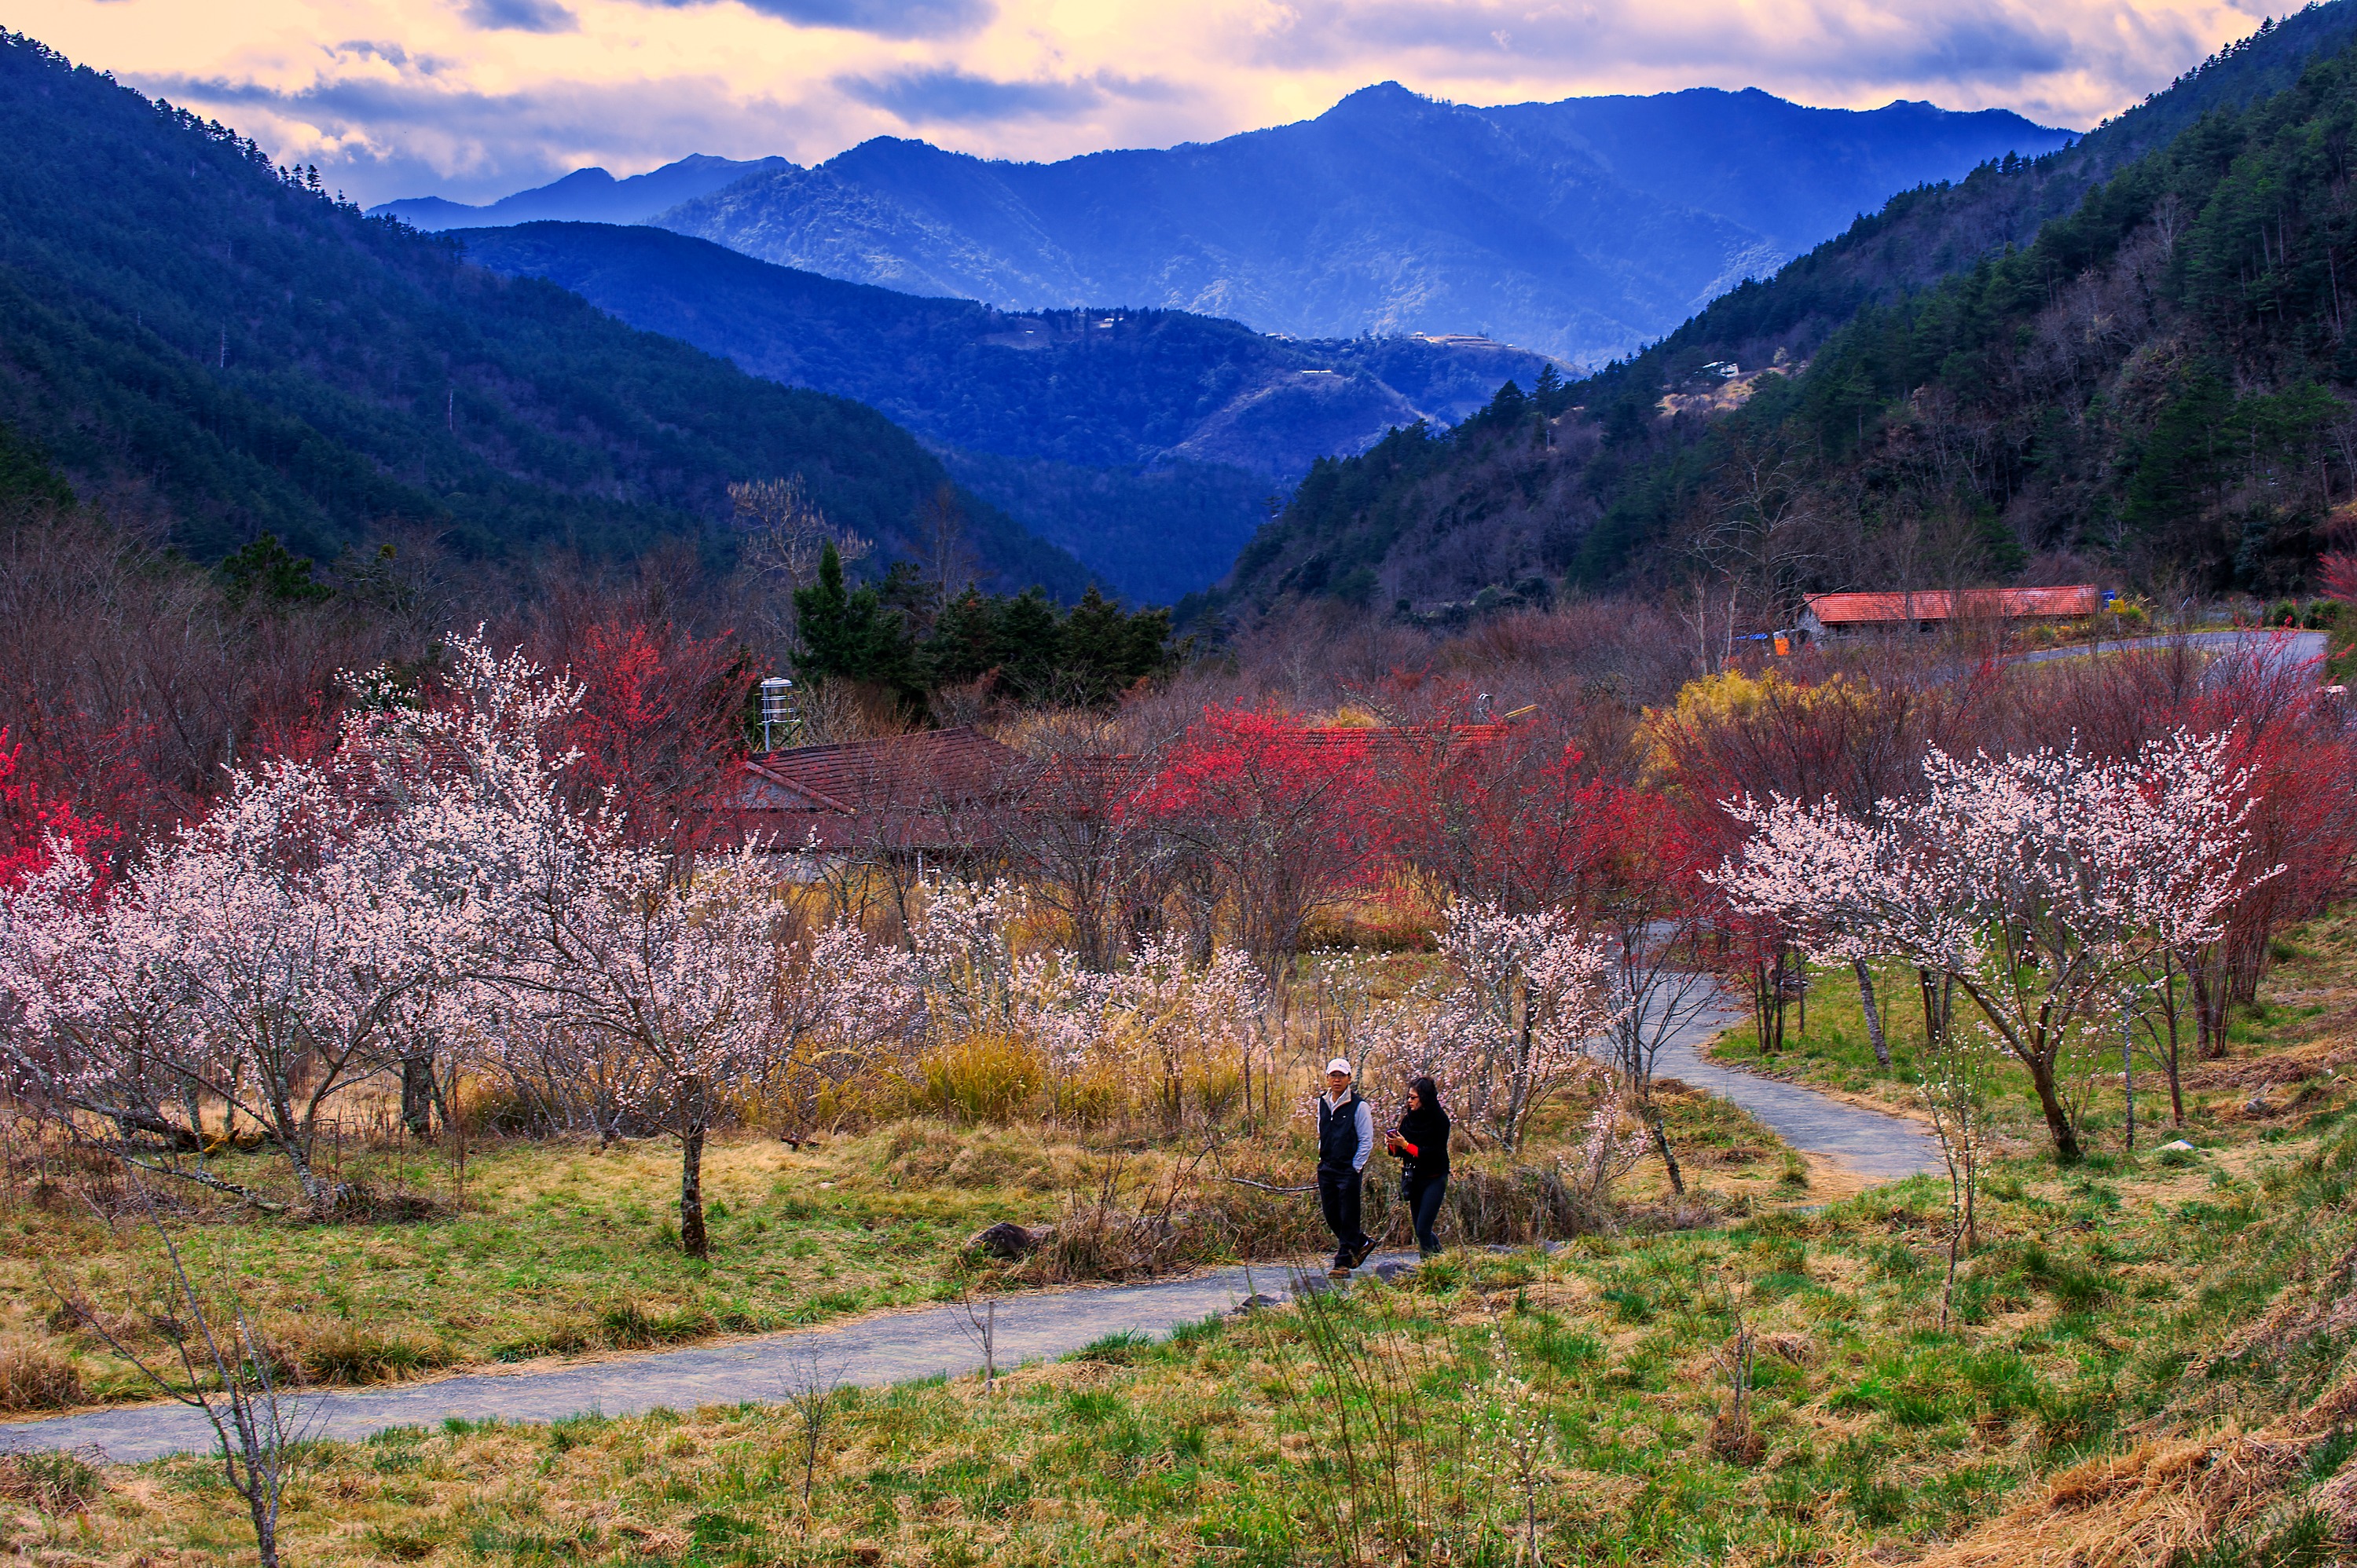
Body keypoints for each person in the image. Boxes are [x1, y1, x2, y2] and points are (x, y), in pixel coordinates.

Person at [1315, 1057, 1376, 1277]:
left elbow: (1366, 1139)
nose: (1337, 1080)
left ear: (1349, 1078)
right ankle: (1361, 1242)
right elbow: (1322, 1132)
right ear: (1327, 1078)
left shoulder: (1360, 1106)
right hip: (1327, 1167)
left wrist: (1356, 1167)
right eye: (1333, 1075)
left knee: (1348, 1214)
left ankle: (1342, 1262)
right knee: (1332, 1214)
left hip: (1348, 1168)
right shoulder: (1322, 1103)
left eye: (1341, 1075)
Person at [1385, 1076, 1451, 1258]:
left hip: (1434, 1177)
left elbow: (1432, 1152)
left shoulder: (1440, 1120)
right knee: (1421, 1230)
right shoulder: (1409, 1120)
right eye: (1408, 1097)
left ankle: (1429, 1267)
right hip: (1414, 1177)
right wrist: (1393, 1144)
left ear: (1424, 1098)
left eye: (1413, 1098)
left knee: (1423, 1228)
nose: (1409, 1101)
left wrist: (1405, 1145)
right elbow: (1398, 1153)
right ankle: (1439, 1261)